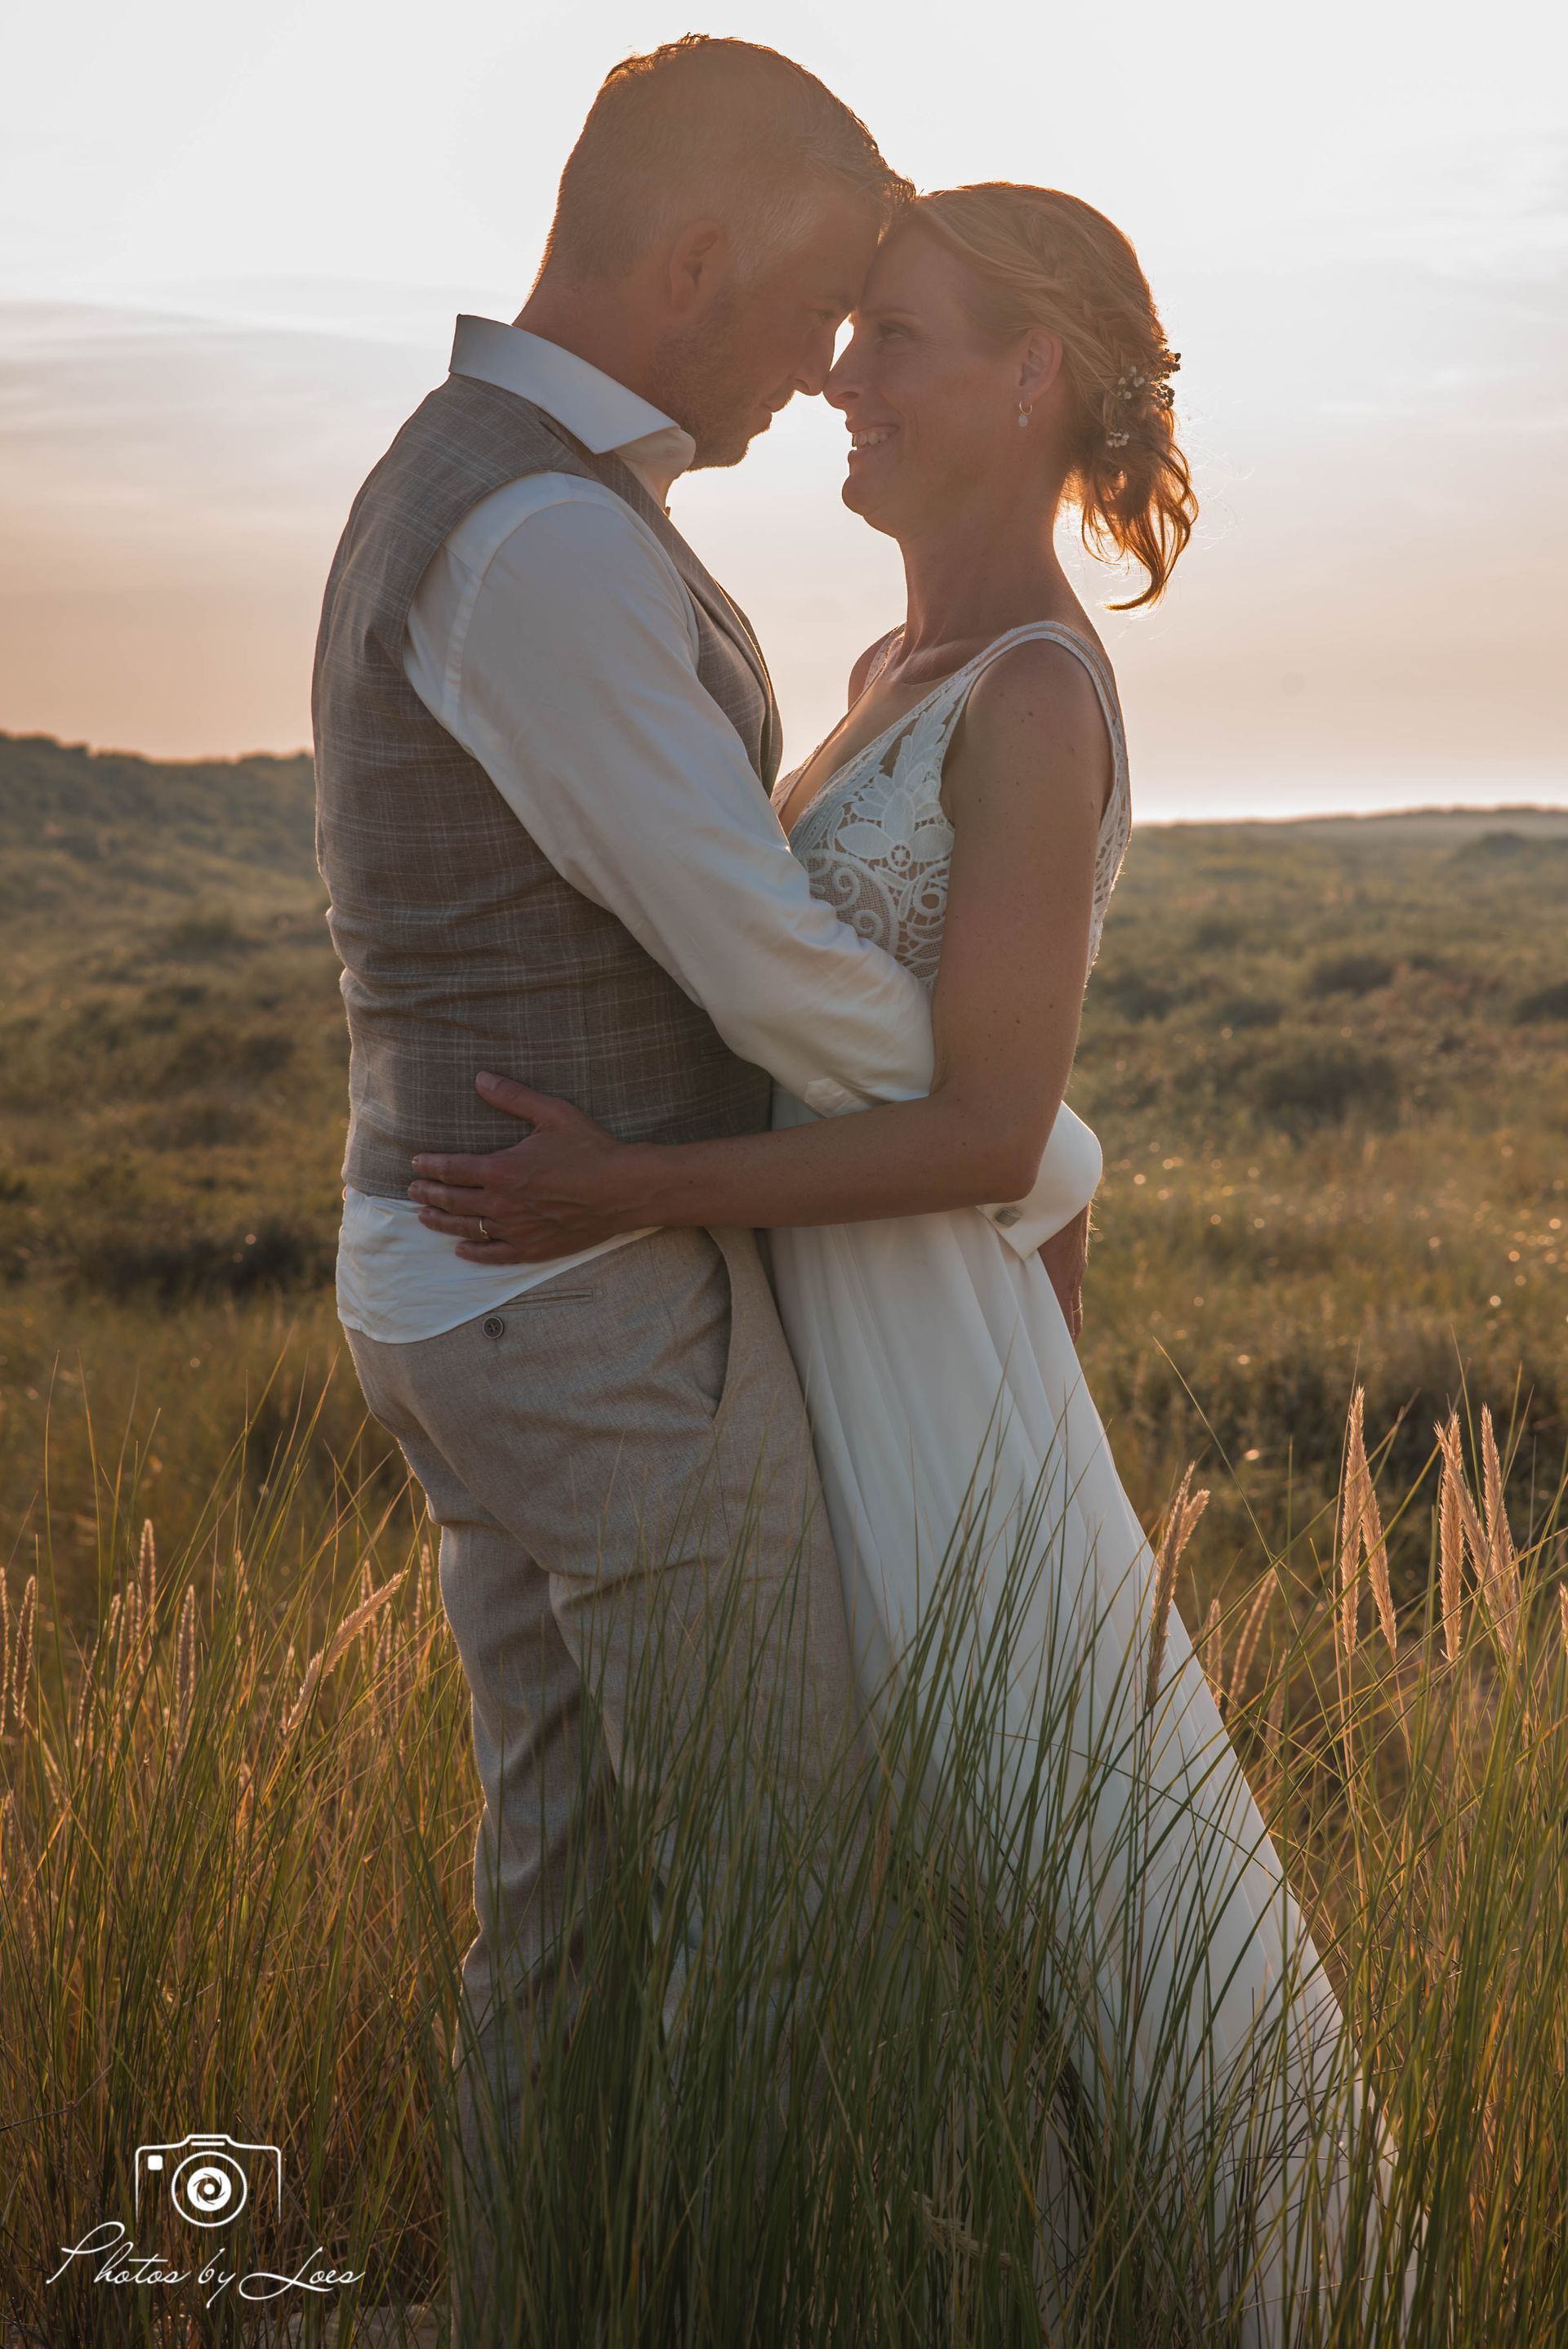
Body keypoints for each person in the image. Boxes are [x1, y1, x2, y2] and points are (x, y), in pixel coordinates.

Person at [411, 185, 1415, 2334]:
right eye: (851, 332)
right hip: (823, 1318)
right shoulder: (885, 671)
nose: (841, 377)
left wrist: (636, 1186)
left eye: (897, 338)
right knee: (863, 1852)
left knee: (1001, 1857)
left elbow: (985, 1126)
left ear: (1031, 375)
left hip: (916, 1347)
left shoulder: (1036, 695)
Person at [313, 38, 1101, 2321]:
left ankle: (540, 2293)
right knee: (790, 1890)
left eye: (881, 325)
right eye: (816, 303)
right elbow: (753, 949)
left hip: (470, 1280)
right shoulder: (545, 536)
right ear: (690, 265)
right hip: (573, 1306)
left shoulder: (480, 490)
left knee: (564, 1892)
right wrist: (1021, 1137)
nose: (822, 366)